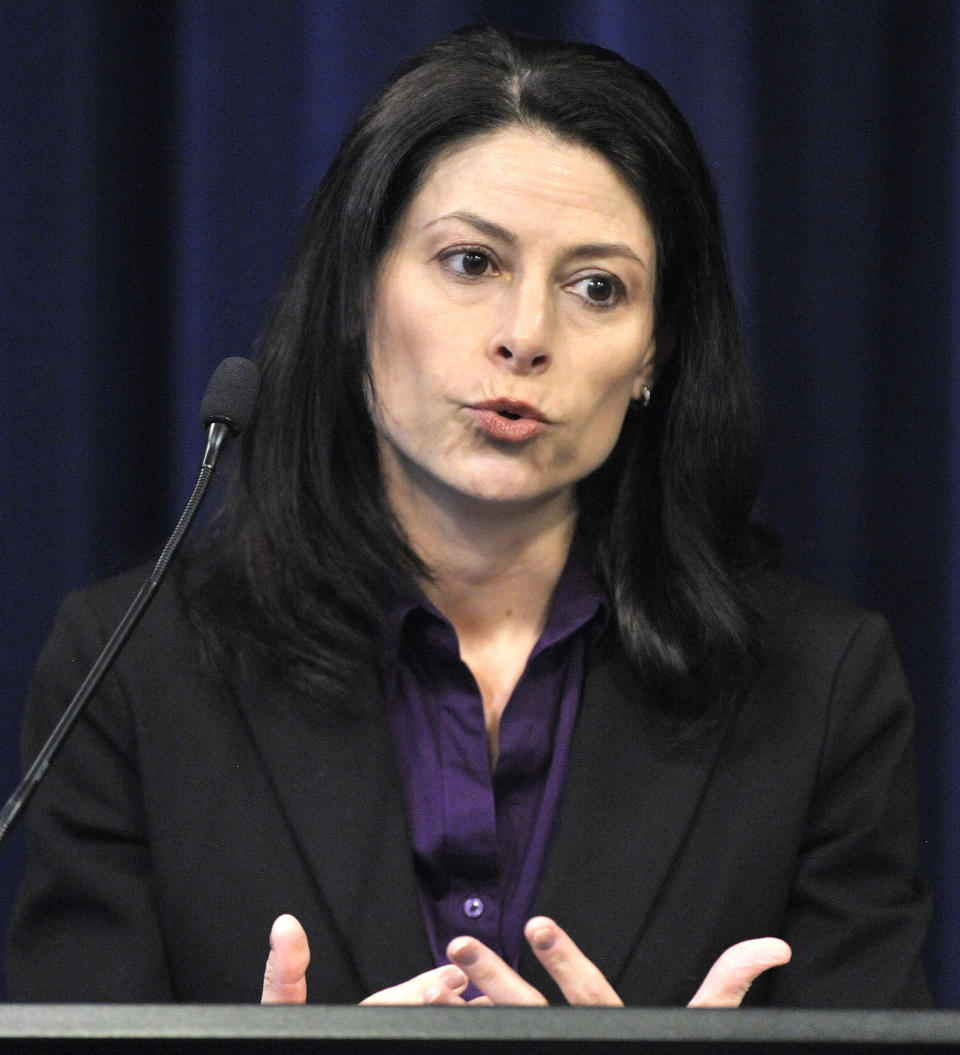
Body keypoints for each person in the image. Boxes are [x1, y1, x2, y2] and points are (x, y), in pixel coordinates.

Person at [7, 25, 931, 1007]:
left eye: (596, 287)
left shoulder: (822, 690)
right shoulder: (131, 672)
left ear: (656, 352)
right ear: (359, 293)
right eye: (470, 262)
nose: (525, 336)